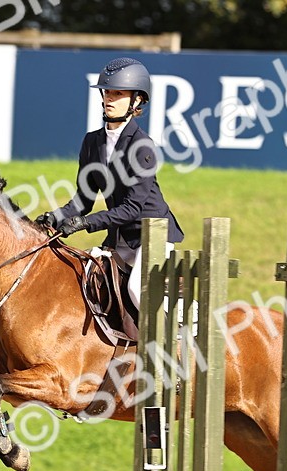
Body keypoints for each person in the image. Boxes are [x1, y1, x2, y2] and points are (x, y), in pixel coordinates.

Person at [35, 57, 184, 313]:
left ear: (136, 101)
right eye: (107, 93)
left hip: (152, 234)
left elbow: (132, 208)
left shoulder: (142, 146)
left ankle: (175, 339)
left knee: (137, 290)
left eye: (118, 93)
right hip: (120, 237)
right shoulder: (92, 142)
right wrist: (54, 217)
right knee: (88, 281)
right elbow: (83, 200)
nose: (109, 99)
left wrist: (87, 223)